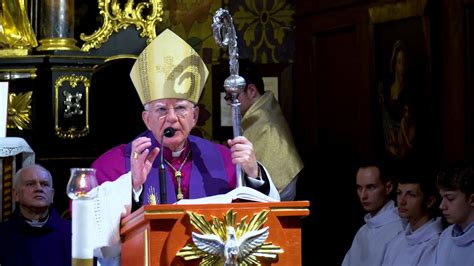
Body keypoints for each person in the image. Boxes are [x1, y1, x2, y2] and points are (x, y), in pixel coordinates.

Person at [223, 59, 303, 200]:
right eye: (227, 98)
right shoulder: (260, 114)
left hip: (278, 197)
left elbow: (270, 184)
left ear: (252, 90)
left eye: (233, 97)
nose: (229, 103)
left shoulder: (266, 125)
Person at [0, 164, 71, 266]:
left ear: (52, 195)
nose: (39, 188)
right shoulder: (2, 234)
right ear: (15, 194)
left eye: (44, 184)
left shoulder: (73, 233)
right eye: (30, 184)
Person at [342, 161, 403, 266]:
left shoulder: (400, 229)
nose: (363, 196)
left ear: (388, 187)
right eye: (359, 188)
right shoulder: (362, 231)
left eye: (370, 187)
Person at [382, 174, 443, 265]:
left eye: (411, 195)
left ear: (429, 202)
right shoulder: (396, 241)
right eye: (399, 193)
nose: (402, 201)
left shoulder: (434, 245)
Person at [378, 40, 416, 160]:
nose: (402, 66)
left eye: (404, 62)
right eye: (399, 61)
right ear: (394, 63)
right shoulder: (387, 89)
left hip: (403, 144)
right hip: (390, 144)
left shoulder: (408, 90)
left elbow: (410, 121)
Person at [435, 162, 474, 265]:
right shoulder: (446, 236)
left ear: (472, 199)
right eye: (442, 198)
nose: (442, 206)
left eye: (450, 198)